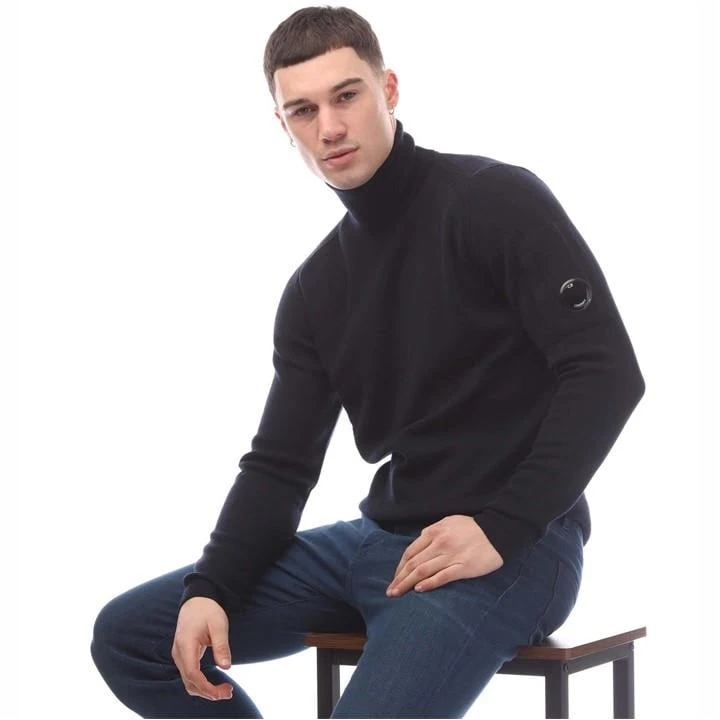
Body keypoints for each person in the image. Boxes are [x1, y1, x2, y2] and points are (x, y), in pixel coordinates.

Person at [91, 5, 645, 718]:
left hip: (515, 546)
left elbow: (605, 372)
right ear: (283, 124)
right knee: (133, 636)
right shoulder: (315, 291)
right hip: (376, 542)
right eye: (303, 110)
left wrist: (504, 526)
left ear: (388, 89)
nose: (329, 127)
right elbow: (280, 465)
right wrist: (212, 587)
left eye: (345, 96)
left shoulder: (495, 201)